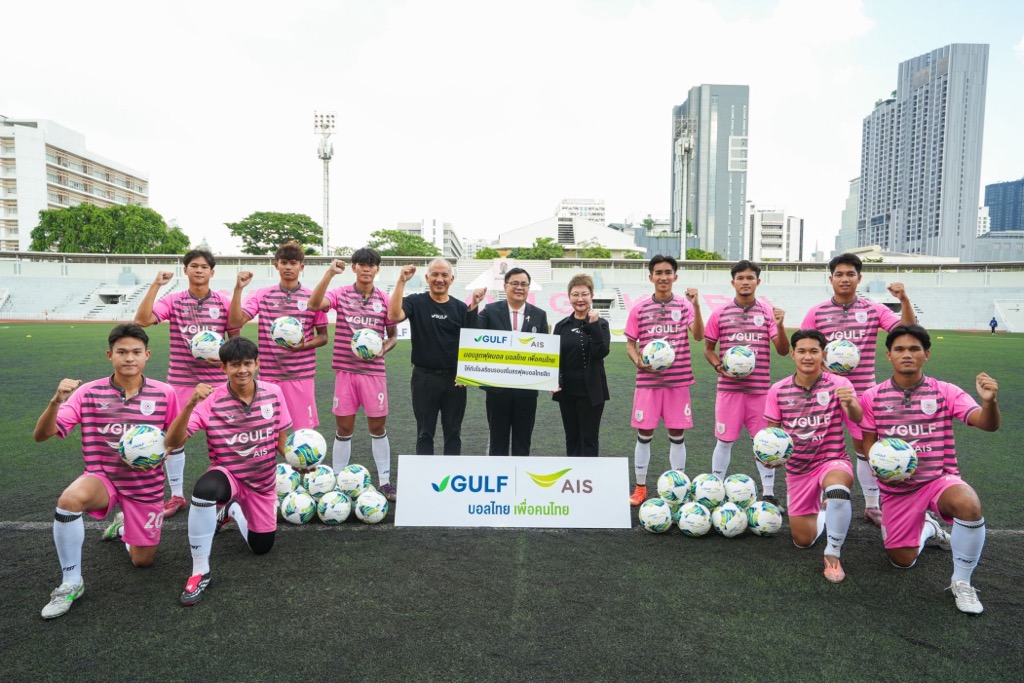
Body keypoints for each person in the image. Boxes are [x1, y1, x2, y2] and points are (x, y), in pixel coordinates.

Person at [33, 324, 179, 619]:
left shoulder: (165, 393)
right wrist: (56, 401)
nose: (129, 358)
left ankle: (122, 527)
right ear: (110, 355)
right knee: (69, 500)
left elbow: (175, 439)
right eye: (122, 352)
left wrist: (164, 453)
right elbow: (41, 435)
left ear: (147, 355)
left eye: (136, 352)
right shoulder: (88, 392)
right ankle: (71, 582)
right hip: (103, 477)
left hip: (145, 486)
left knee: (143, 561)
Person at [860, 324, 1000, 614]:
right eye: (899, 349)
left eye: (914, 349)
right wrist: (880, 466)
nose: (907, 354)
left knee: (968, 504)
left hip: (938, 479)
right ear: (888, 355)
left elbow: (987, 424)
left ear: (927, 354)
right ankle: (929, 528)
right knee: (901, 560)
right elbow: (868, 444)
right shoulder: (872, 396)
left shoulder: (945, 391)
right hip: (897, 490)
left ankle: (962, 582)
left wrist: (989, 403)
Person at [165, 337, 292, 606]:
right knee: (205, 489)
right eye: (235, 365)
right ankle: (200, 570)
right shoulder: (211, 400)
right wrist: (189, 404)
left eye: (247, 364)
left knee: (261, 548)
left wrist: (297, 460)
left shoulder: (274, 393)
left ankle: (231, 510)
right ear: (223, 367)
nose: (242, 370)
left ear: (257, 364)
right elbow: (174, 441)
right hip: (229, 474)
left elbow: (281, 438)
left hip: (263, 481)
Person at [801, 252, 915, 526]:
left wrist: (903, 299)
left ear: (859, 278)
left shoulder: (874, 309)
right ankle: (825, 495)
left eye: (850, 274)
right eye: (839, 274)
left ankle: (872, 505)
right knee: (821, 444)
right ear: (831, 279)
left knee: (865, 449)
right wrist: (821, 366)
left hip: (862, 393)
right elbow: (803, 347)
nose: (845, 279)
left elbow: (908, 331)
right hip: (824, 392)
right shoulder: (816, 312)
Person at [134, 249, 236, 519]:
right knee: (173, 440)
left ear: (212, 272)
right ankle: (177, 495)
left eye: (204, 266)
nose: (199, 270)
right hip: (180, 383)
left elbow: (235, 339)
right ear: (186, 270)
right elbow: (142, 320)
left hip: (217, 384)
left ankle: (228, 494)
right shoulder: (174, 300)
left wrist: (221, 358)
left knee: (224, 439)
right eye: (193, 266)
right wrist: (156, 285)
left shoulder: (223, 303)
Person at [763, 329, 861, 583]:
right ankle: (824, 507)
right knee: (802, 540)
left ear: (823, 354)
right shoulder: (778, 390)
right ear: (793, 354)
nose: (808, 356)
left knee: (838, 489)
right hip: (798, 469)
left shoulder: (839, 384)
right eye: (802, 351)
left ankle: (833, 553)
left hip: (832, 460)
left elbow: (858, 418)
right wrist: (770, 457)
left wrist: (850, 403)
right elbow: (772, 434)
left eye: (814, 351)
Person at [307, 248, 398, 500]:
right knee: (344, 427)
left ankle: (385, 482)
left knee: (378, 426)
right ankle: (338, 482)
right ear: (354, 267)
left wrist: (384, 348)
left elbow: (393, 336)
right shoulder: (340, 293)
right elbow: (314, 304)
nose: (366, 269)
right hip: (345, 372)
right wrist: (330, 273)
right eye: (361, 264)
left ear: (377, 269)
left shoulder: (385, 299)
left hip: (373, 373)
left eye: (371, 265)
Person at [704, 260, 790, 511]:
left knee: (764, 443)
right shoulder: (719, 313)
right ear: (733, 282)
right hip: (729, 391)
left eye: (750, 278)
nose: (745, 282)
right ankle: (715, 491)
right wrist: (719, 367)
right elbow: (708, 349)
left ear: (757, 282)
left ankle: (769, 493)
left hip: (760, 392)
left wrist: (780, 325)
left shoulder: (768, 313)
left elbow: (783, 350)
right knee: (724, 441)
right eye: (740, 278)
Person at [624, 255, 704, 505]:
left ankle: (679, 489)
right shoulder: (639, 309)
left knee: (677, 435)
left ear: (675, 277)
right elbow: (630, 344)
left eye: (668, 272)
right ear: (650, 277)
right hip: (648, 383)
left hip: (677, 383)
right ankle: (640, 487)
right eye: (658, 272)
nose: (663, 277)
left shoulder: (685, 305)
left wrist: (697, 306)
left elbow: (699, 336)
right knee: (644, 434)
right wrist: (637, 360)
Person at [387, 259, 484, 455]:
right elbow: (394, 315)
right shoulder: (415, 302)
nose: (439, 279)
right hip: (424, 378)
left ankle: (451, 472)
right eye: (435, 274)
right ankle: (424, 474)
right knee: (424, 433)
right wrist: (401, 280)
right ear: (427, 277)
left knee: (453, 433)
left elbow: (471, 343)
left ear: (452, 279)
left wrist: (474, 305)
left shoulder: (460, 308)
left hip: (455, 381)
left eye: (444, 275)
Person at [228, 241, 328, 430]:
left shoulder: (313, 298)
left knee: (302, 432)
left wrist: (304, 346)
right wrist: (238, 289)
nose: (288, 267)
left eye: (293, 263)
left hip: (301, 375)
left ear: (301, 266)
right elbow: (235, 322)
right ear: (276, 265)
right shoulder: (262, 295)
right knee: (269, 430)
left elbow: (323, 337)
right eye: (284, 262)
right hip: (269, 376)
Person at [470, 267, 549, 456]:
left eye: (524, 284)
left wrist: (549, 378)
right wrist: (474, 305)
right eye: (514, 283)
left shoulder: (539, 315)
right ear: (505, 286)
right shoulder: (490, 311)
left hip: (527, 390)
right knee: (498, 443)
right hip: (497, 390)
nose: (519, 287)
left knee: (523, 443)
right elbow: (473, 334)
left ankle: (520, 474)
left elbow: (545, 351)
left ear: (528, 288)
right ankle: (499, 474)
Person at [553, 274, 610, 456]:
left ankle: (590, 474)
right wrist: (552, 381)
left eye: (584, 294)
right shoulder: (561, 326)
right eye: (575, 294)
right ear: (569, 297)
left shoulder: (601, 324)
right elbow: (554, 358)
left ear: (591, 296)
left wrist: (593, 325)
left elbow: (601, 352)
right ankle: (573, 472)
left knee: (589, 439)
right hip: (567, 392)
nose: (580, 299)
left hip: (591, 392)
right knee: (572, 438)